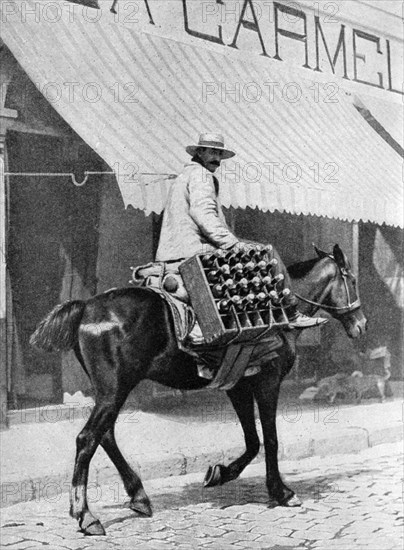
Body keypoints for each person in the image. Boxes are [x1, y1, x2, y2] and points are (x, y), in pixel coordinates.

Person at [156, 133, 327, 329]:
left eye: (220, 154)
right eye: (213, 152)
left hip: (173, 251)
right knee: (267, 252)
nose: (217, 160)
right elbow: (204, 215)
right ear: (200, 152)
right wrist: (233, 244)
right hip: (196, 249)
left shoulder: (184, 176)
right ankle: (291, 312)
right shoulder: (202, 176)